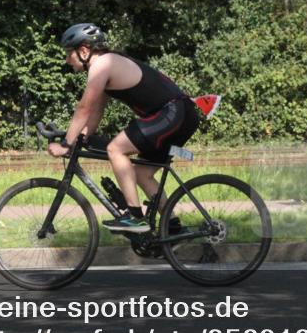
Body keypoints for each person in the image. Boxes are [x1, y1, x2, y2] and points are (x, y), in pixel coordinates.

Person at [47, 23, 201, 233]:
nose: (66, 60)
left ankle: (135, 218)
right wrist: (80, 137)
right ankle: (172, 228)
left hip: (173, 113)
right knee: (142, 174)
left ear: (83, 50)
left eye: (68, 53)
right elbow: (94, 113)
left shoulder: (102, 65)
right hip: (180, 114)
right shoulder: (105, 66)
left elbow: (83, 108)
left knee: (115, 148)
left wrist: (66, 144)